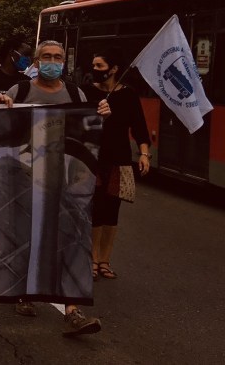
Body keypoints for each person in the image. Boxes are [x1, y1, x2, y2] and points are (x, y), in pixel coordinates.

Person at [0, 40, 110, 337]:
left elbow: (86, 131)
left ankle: (73, 310)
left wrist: (101, 113)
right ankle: (24, 292)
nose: (53, 61)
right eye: (46, 56)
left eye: (58, 57)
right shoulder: (19, 91)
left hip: (64, 179)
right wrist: (0, 105)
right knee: (27, 235)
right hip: (24, 177)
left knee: (71, 238)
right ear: (36, 62)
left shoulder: (75, 93)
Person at [81, 49, 151, 281]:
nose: (95, 70)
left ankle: (105, 261)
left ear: (113, 69)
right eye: (94, 65)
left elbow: (139, 126)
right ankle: (92, 259)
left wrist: (144, 154)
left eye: (99, 66)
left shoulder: (128, 94)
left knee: (112, 211)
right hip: (93, 158)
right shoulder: (86, 92)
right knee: (96, 209)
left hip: (119, 159)